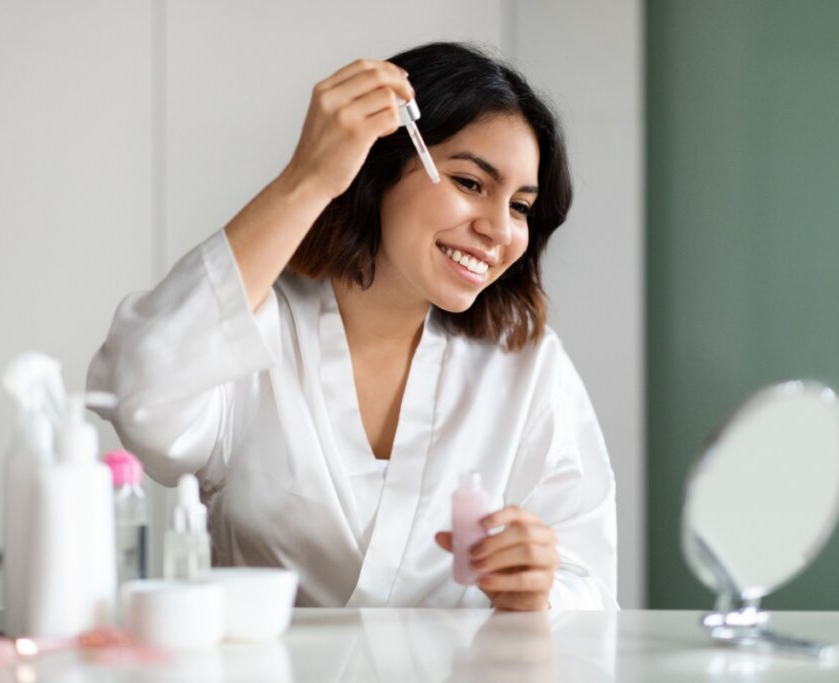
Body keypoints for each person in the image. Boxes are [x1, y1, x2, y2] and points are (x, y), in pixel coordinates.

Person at [88, 42, 617, 611]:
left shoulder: (526, 363)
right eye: (470, 183)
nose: (498, 228)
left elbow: (590, 587)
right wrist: (308, 178)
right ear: (378, 168)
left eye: (520, 206)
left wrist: (540, 590)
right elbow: (141, 394)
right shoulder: (256, 329)